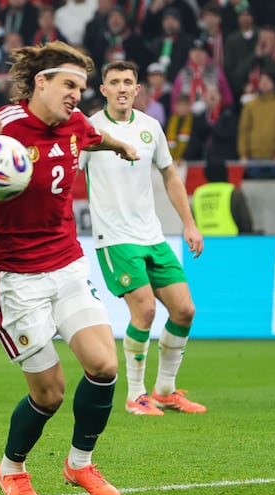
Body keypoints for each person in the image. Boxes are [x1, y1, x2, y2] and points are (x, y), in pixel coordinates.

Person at [0, 41, 139, 495]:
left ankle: (79, 464)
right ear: (40, 82)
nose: (76, 97)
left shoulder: (76, 123)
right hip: (14, 277)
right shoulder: (4, 129)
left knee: (104, 365)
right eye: (69, 85)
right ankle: (12, 468)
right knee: (50, 394)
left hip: (66, 263)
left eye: (81, 88)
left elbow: (93, 137)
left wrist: (121, 146)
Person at [81, 60, 206, 417]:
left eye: (128, 83)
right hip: (114, 237)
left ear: (138, 90)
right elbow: (63, 175)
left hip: (151, 235)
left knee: (184, 310)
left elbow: (170, 175)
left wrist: (189, 223)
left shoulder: (151, 127)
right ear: (103, 89)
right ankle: (136, 395)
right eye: (114, 82)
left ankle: (165, 390)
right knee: (146, 309)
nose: (122, 88)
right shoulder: (90, 129)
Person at [192, 158, 255, 236]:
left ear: (206, 174)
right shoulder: (234, 192)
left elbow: (191, 222)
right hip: (230, 242)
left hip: (203, 243)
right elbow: (245, 223)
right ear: (226, 172)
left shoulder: (198, 193)